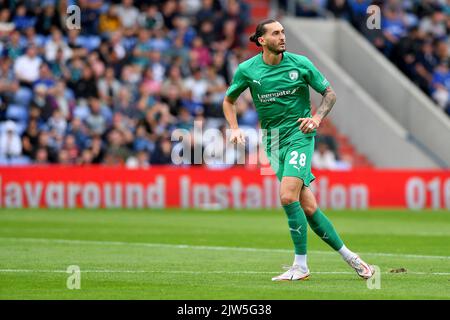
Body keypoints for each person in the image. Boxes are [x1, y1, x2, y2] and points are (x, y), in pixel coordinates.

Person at [222, 19, 374, 281]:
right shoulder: (247, 70)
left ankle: (301, 266)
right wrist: (234, 128)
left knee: (287, 197)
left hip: (300, 135)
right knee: (308, 206)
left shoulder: (300, 63)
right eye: (276, 33)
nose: (282, 37)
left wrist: (316, 119)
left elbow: (330, 94)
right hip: (273, 142)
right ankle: (351, 256)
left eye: (283, 32)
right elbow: (228, 100)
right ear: (261, 40)